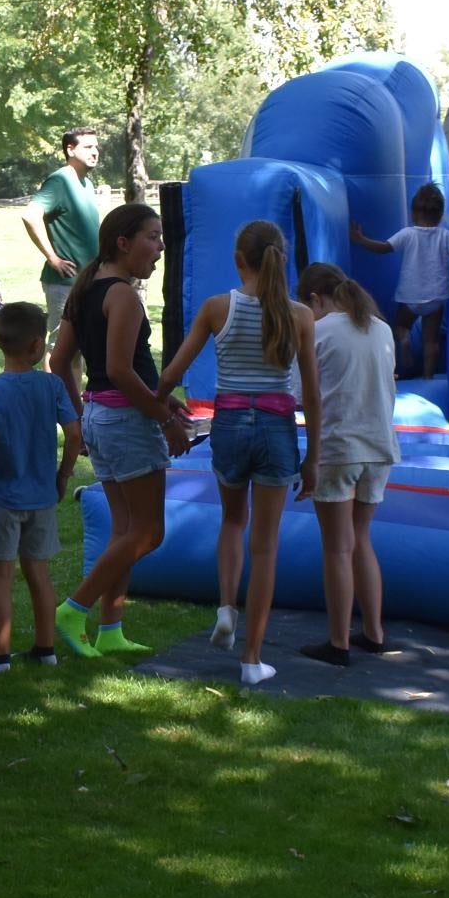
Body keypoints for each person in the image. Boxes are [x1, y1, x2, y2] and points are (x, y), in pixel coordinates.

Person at [161, 220, 323, 687]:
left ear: (239, 260)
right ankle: (252, 659)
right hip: (277, 426)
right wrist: (313, 457)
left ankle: (226, 606)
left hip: (231, 423)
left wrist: (156, 404)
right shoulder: (301, 316)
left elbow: (174, 370)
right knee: (266, 545)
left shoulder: (217, 308)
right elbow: (311, 395)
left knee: (232, 520)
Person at [46, 204, 188, 658]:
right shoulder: (122, 294)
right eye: (153, 236)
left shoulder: (86, 287)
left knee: (125, 529)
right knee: (148, 533)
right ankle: (74, 609)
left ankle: (111, 629)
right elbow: (119, 371)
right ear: (123, 243)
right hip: (127, 420)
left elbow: (59, 361)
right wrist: (164, 418)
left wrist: (80, 415)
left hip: (101, 416)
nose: (161, 247)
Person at [0, 301, 78, 670]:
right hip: (43, 496)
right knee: (38, 573)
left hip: (2, 496)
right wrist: (63, 474)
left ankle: (0, 656)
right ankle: (46, 650)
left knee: (0, 575)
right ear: (37, 347)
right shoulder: (52, 386)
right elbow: (74, 433)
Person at [297, 264, 400, 662]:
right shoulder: (380, 327)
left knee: (337, 549)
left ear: (314, 301)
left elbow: (299, 393)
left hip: (338, 447)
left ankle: (338, 642)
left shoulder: (317, 331)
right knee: (361, 539)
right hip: (379, 447)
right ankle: (373, 631)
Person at [20, 125, 105, 313]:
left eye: (96, 147)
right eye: (88, 147)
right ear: (70, 149)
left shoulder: (87, 184)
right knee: (61, 342)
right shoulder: (60, 180)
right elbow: (30, 215)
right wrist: (53, 258)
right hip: (65, 283)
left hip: (88, 281)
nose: (95, 152)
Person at [376, 186, 449, 380]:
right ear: (441, 215)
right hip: (436, 297)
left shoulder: (408, 233)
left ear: (413, 212)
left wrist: (361, 239)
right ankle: (428, 377)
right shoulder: (445, 236)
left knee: (401, 326)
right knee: (431, 341)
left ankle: (403, 340)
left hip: (410, 295)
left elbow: (385, 248)